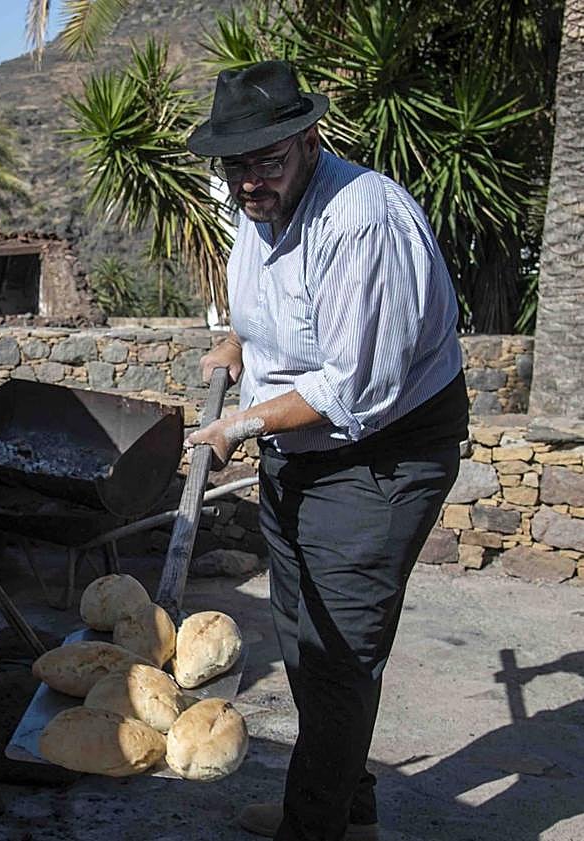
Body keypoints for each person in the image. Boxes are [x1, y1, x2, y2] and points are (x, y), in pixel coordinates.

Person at [185, 61, 469, 841]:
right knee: (302, 634)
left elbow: (354, 389)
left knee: (338, 650)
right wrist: (237, 343)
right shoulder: (256, 204)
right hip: (298, 439)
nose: (249, 182)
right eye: (235, 166)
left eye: (265, 162)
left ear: (309, 141)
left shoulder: (361, 221)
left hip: (383, 451)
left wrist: (239, 425)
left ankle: (311, 826)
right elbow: (275, 304)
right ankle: (346, 810)